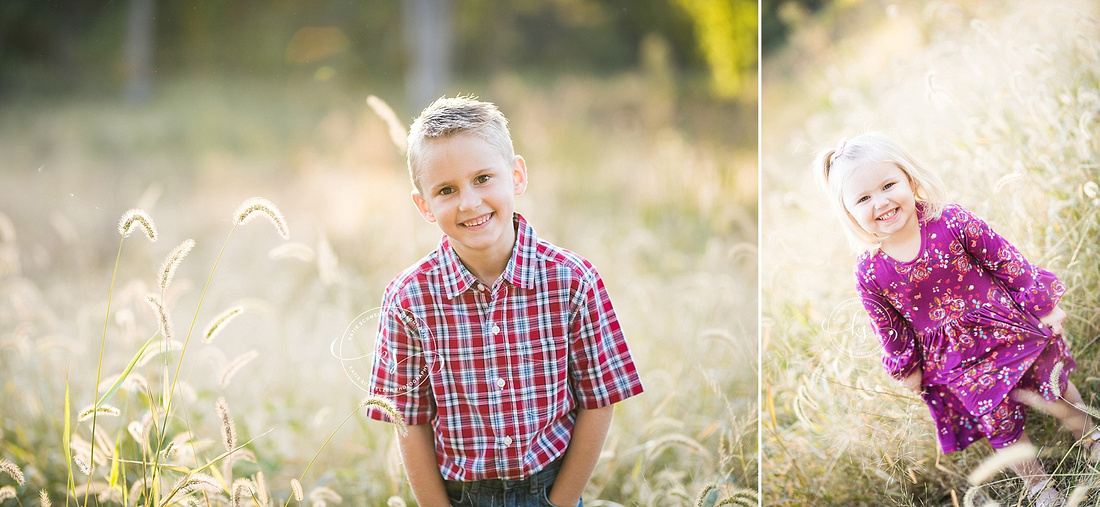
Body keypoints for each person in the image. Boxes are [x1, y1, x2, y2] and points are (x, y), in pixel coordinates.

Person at [365, 96, 644, 506]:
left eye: (483, 178)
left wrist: (562, 501)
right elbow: (408, 421)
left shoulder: (572, 281)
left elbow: (600, 401)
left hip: (552, 489)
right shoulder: (409, 299)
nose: (469, 202)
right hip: (460, 496)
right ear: (424, 204)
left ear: (516, 175)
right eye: (446, 190)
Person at [814, 131, 1097, 505]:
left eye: (888, 185)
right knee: (1001, 425)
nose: (880, 202)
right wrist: (907, 366)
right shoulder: (869, 270)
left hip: (1006, 329)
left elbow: (1004, 259)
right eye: (864, 198)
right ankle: (1039, 485)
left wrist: (1042, 303)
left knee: (1055, 387)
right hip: (959, 361)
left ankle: (1092, 439)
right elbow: (889, 327)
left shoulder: (948, 221)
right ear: (849, 212)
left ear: (909, 179)